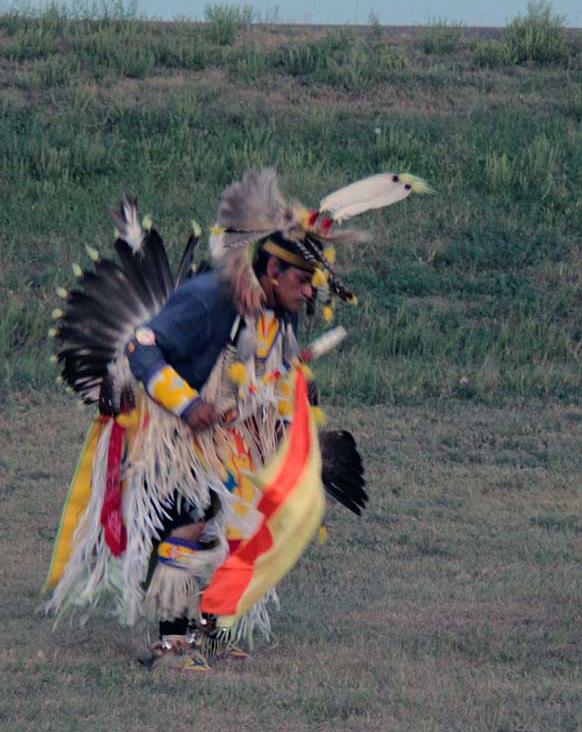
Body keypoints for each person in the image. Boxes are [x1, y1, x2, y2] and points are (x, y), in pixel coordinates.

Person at [45, 167, 427, 670]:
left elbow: (268, 360)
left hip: (226, 424)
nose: (311, 293)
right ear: (271, 272)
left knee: (241, 522)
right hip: (168, 423)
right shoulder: (209, 300)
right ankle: (172, 642)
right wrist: (187, 404)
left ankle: (209, 635)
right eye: (302, 281)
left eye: (313, 284)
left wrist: (296, 404)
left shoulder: (281, 305)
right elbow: (141, 347)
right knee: (191, 515)